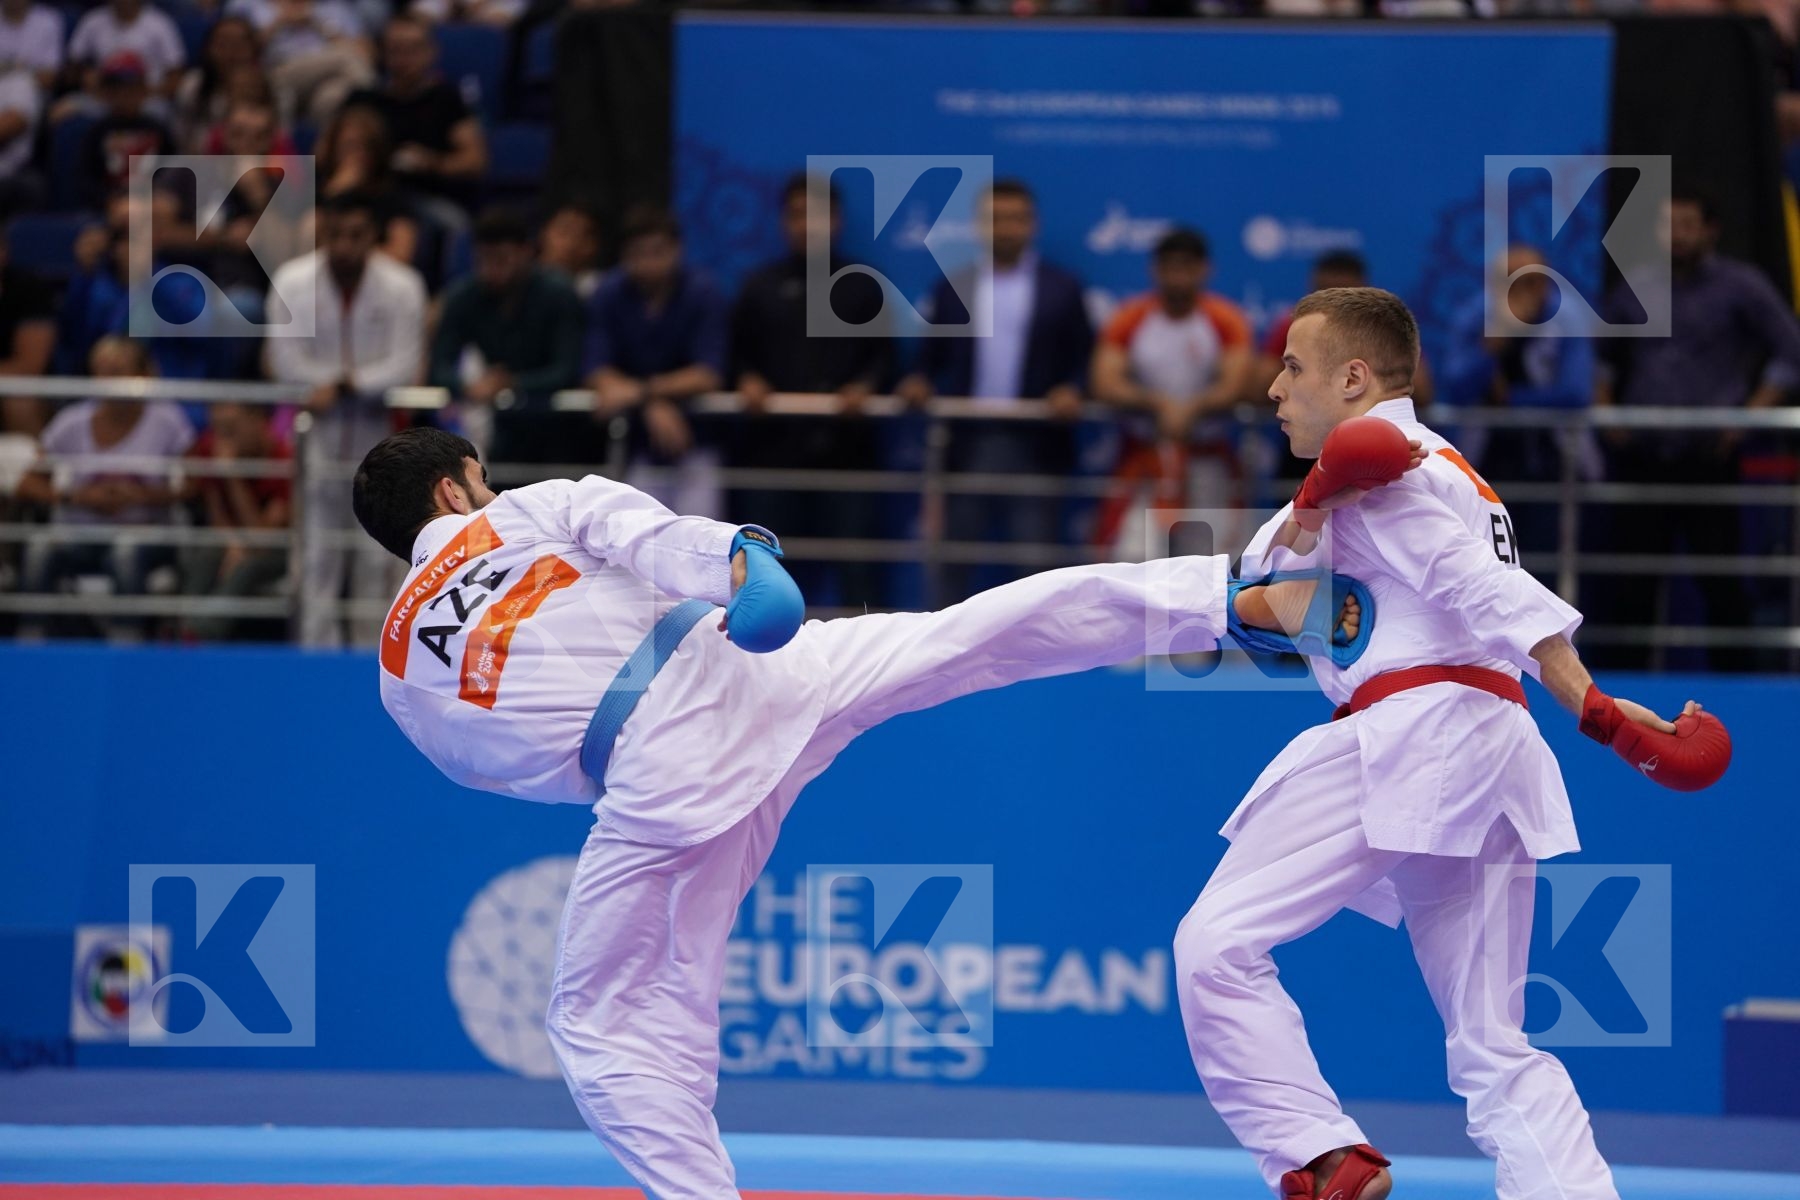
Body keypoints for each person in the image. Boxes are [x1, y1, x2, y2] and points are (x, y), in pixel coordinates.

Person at [351, 423, 1404, 1200]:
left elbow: (503, 768)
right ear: (455, 486)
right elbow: (648, 534)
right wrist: (740, 561)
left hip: (657, 782)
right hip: (758, 666)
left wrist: (621, 762)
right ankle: (1222, 600)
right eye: (479, 476)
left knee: (605, 1021)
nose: (489, 489)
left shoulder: (399, 674)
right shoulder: (525, 510)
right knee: (973, 636)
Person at [1172, 287, 1716, 1200]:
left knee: (1214, 944)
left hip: (1414, 733)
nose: (1274, 388)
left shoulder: (1386, 470)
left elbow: (1480, 591)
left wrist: (1594, 706)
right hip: (1492, 748)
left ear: (1354, 378)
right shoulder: (1437, 468)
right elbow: (1263, 593)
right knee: (1493, 1043)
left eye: (1294, 367)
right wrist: (1309, 504)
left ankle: (1320, 1152)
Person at [1593, 187, 1800, 672]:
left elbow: (1791, 351)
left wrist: (1751, 414)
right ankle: (1623, 691)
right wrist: (1606, 411)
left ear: (1711, 230)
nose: (1677, 236)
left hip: (1710, 456)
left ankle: (1739, 685)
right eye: (1669, 226)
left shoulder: (1741, 286)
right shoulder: (1638, 285)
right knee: (1631, 582)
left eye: (1687, 225)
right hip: (1643, 456)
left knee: (1721, 580)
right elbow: (1601, 357)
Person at [897, 177, 1094, 602]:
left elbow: (1084, 359)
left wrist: (1072, 389)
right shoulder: (955, 286)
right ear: (979, 225)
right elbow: (930, 357)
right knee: (954, 559)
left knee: (1035, 566)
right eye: (996, 219)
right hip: (968, 444)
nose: (1006, 228)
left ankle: (1040, 645)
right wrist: (918, 381)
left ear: (1032, 224)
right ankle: (947, 642)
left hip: (1037, 443)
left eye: (1015, 219)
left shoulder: (1062, 288)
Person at [267, 189, 426, 647]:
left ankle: (372, 659)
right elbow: (284, 361)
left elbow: (405, 363)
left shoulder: (403, 286)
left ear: (373, 235)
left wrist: (346, 386)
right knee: (316, 553)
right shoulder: (292, 282)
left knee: (376, 557)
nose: (344, 246)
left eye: (356, 235)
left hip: (380, 436)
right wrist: (333, 385)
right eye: (336, 234)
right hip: (316, 436)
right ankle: (314, 657)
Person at [727, 173, 894, 609]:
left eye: (817, 214)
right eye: (797, 214)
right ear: (784, 222)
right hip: (773, 454)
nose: (807, 225)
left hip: (847, 455)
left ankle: (866, 652)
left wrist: (866, 386)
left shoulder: (863, 284)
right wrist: (746, 378)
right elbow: (734, 356)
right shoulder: (759, 286)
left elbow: (886, 359)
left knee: (858, 573)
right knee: (767, 576)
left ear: (837, 220)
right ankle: (768, 652)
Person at [14, 336, 193, 639]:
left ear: (145, 375)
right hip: (82, 533)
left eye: (118, 371)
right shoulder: (71, 421)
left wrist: (144, 496)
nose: (108, 381)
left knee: (126, 551)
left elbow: (195, 484)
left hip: (145, 534)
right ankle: (31, 641)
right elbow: (27, 483)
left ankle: (127, 644)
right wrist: (77, 496)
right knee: (40, 548)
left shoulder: (168, 420)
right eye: (101, 371)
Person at [1090, 226, 1253, 556]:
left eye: (1187, 267)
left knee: (1210, 558)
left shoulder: (1225, 319)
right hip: (1145, 456)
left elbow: (1236, 383)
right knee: (1132, 557)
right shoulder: (1130, 318)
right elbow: (1104, 381)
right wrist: (1156, 404)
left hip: (1206, 454)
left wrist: (1193, 408)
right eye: (1170, 267)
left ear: (1205, 269)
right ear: (1155, 269)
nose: (1178, 277)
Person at [585, 205, 729, 517]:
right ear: (624, 255)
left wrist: (642, 392)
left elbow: (708, 374)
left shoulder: (702, 292)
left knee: (702, 535)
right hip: (637, 445)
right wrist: (650, 403)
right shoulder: (609, 292)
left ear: (677, 250)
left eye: (657, 252)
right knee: (637, 537)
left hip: (696, 442)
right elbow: (596, 370)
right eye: (638, 254)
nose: (648, 263)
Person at [429, 205, 585, 466]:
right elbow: (439, 367)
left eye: (502, 259)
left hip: (554, 428)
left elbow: (567, 370)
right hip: (496, 430)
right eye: (483, 260)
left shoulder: (560, 295)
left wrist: (512, 382)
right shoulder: (462, 296)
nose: (492, 270)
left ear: (527, 252)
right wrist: (468, 386)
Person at [345, 15, 488, 225]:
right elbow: (327, 151)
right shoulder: (363, 100)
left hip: (424, 196)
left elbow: (475, 161)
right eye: (396, 50)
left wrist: (431, 163)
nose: (404, 59)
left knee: (453, 222)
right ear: (383, 53)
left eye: (413, 49)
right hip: (366, 193)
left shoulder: (447, 99)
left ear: (431, 52)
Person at [180, 401, 290, 642]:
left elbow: (263, 537)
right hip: (234, 542)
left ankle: (202, 632)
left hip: (278, 550)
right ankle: (183, 628)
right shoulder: (210, 449)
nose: (222, 439)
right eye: (217, 429)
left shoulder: (283, 460)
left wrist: (233, 477)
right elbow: (217, 517)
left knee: (248, 566)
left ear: (259, 422)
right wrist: (233, 544)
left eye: (230, 429)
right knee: (207, 553)